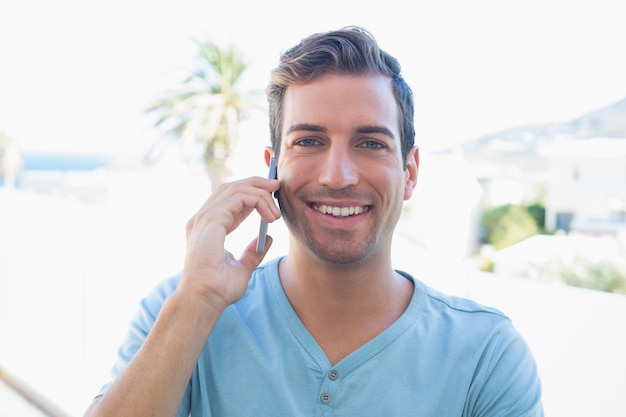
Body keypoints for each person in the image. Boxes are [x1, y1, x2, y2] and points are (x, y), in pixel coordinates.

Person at [84, 26, 543, 417]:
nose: (337, 176)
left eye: (370, 143)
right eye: (307, 141)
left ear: (410, 172)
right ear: (272, 167)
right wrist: (197, 301)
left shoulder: (487, 354)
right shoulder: (179, 309)